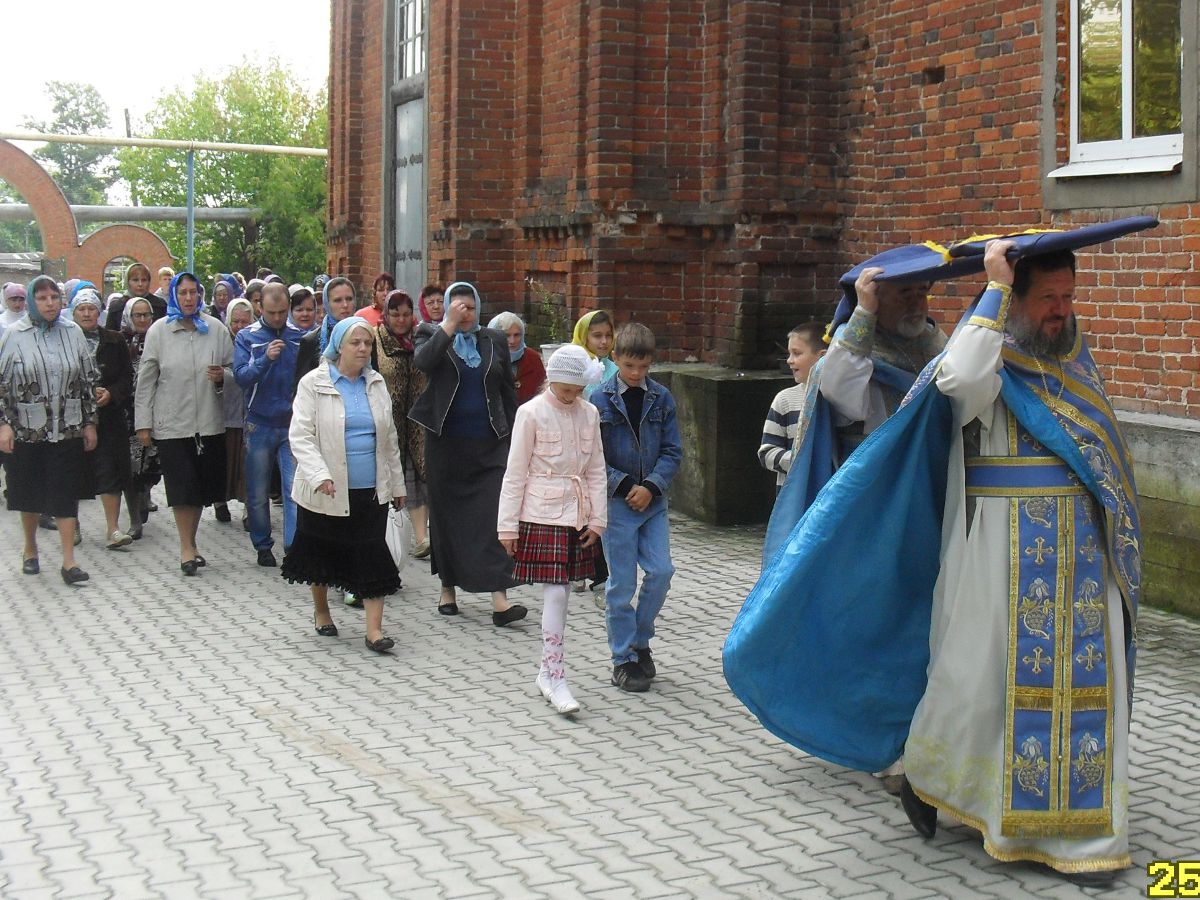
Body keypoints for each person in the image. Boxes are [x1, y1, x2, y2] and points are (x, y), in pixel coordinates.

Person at [283, 317, 406, 654]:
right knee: (321, 552)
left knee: (372, 553)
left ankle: (374, 631)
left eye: (367, 343)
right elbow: (300, 435)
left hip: (371, 488)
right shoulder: (314, 383)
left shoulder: (376, 383)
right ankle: (322, 612)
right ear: (339, 346)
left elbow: (389, 439)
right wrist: (319, 474)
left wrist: (397, 484)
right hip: (326, 489)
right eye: (356, 343)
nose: (363, 349)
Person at [499, 345, 607, 714]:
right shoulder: (530, 413)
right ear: (551, 380)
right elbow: (515, 472)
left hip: (577, 513)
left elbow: (596, 470)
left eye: (578, 390)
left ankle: (547, 673)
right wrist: (507, 526)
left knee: (561, 593)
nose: (571, 396)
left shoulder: (590, 413)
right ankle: (556, 676)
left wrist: (598, 520)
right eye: (565, 390)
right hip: (540, 512)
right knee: (557, 592)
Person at [411, 281, 524, 624]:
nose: (464, 315)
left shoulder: (494, 340)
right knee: (446, 520)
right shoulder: (430, 334)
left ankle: (500, 599)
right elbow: (423, 363)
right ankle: (448, 588)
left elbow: (506, 391)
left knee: (493, 518)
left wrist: (519, 436)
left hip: (490, 446)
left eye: (470, 308)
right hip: (446, 446)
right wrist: (447, 326)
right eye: (457, 309)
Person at [591, 322, 682, 692]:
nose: (636, 373)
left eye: (644, 367)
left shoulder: (662, 398)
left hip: (653, 502)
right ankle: (623, 660)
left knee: (662, 571)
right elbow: (593, 457)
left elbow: (673, 451)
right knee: (621, 584)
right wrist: (628, 485)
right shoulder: (599, 400)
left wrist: (651, 486)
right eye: (629, 365)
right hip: (618, 504)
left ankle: (640, 640)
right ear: (615, 358)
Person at [0, 276, 98, 583]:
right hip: (27, 430)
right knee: (29, 492)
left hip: (68, 428)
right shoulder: (15, 335)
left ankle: (69, 561)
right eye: (42, 298)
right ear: (32, 301)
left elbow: (87, 380)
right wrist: (3, 424)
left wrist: (90, 422)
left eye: (54, 297)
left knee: (66, 491)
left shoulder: (73, 332)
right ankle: (30, 549)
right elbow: (2, 384)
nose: (50, 303)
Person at [133, 272, 232, 575]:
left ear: (200, 295)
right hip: (173, 423)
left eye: (193, 292)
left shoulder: (216, 329)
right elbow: (146, 381)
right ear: (175, 295)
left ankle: (192, 541)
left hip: (209, 422)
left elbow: (234, 370)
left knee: (199, 488)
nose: (189, 298)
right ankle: (185, 547)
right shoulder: (159, 331)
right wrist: (143, 423)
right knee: (181, 486)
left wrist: (222, 377)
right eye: (183, 293)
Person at [234, 283, 306, 566]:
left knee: (293, 489)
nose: (277, 318)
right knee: (258, 491)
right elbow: (241, 377)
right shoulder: (247, 337)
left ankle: (293, 547)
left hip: (291, 424)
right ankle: (262, 544)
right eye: (272, 312)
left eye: (282, 312)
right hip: (259, 423)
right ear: (259, 307)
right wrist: (265, 359)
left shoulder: (299, 336)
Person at [70, 288, 134, 549]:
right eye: (81, 309)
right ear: (73, 312)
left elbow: (127, 376)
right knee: (73, 471)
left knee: (110, 471)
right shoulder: (65, 338)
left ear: (99, 311)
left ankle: (113, 528)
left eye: (91, 308)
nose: (87, 313)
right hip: (73, 418)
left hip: (109, 418)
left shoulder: (115, 340)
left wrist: (111, 393)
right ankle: (71, 525)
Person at [372, 289, 430, 558]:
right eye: (395, 315)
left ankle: (421, 538)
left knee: (417, 478)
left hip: (418, 423)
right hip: (388, 422)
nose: (401, 320)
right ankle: (385, 537)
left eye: (407, 314)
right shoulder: (375, 339)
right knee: (388, 479)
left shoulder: (420, 339)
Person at [757, 322, 824, 489]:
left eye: (797, 353)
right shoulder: (785, 400)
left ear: (822, 357)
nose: (789, 360)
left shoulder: (840, 399)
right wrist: (802, 461)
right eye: (789, 354)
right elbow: (766, 452)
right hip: (792, 495)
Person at [120, 297, 161, 539]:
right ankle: (134, 517)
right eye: (138, 315)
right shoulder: (119, 341)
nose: (143, 319)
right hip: (128, 413)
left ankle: (145, 493)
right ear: (129, 316)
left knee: (153, 465)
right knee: (132, 467)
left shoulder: (159, 338)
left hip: (157, 411)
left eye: (147, 315)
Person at [214, 298, 254, 527]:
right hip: (224, 414)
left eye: (244, 321)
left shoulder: (256, 339)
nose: (239, 326)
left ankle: (250, 509)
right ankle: (220, 501)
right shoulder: (221, 341)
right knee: (223, 460)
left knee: (248, 463)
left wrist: (227, 375)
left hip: (250, 411)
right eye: (235, 321)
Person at [295, 276, 359, 390]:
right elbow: (301, 388)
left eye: (349, 299)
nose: (345, 305)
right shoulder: (312, 340)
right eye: (338, 300)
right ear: (327, 303)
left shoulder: (365, 336)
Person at [489, 312, 545, 405]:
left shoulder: (533, 358)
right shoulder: (487, 358)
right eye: (506, 335)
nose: (512, 341)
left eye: (517, 335)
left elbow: (542, 392)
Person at [105, 262, 165, 332]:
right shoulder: (117, 306)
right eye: (135, 280)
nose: (140, 284)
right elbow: (109, 334)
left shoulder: (160, 305)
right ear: (127, 282)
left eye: (144, 280)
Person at [571, 310, 619, 398]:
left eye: (608, 335)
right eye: (597, 336)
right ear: (583, 337)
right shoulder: (571, 368)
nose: (604, 341)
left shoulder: (617, 371)